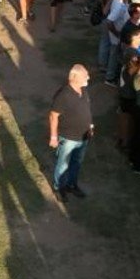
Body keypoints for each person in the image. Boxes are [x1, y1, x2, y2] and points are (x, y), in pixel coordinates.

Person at [46, 64, 93, 199]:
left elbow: (86, 110)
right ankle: (59, 187)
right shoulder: (63, 95)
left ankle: (71, 185)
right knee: (63, 164)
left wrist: (90, 126)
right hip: (68, 137)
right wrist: (53, 137)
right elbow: (53, 116)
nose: (88, 78)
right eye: (85, 76)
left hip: (83, 136)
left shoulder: (83, 91)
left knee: (76, 162)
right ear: (75, 78)